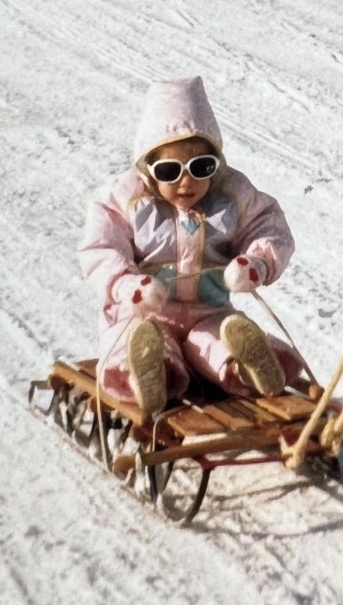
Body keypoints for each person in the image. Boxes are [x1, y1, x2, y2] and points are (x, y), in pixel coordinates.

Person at [79, 76, 296, 418]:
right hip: (145, 312)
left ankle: (244, 365)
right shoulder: (125, 198)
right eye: (169, 170)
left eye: (201, 167)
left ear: (216, 163)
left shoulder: (231, 194)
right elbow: (101, 248)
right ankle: (149, 371)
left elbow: (268, 224)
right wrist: (126, 285)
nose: (186, 181)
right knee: (135, 338)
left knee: (215, 341)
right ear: (148, 168)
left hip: (207, 311)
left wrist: (258, 262)